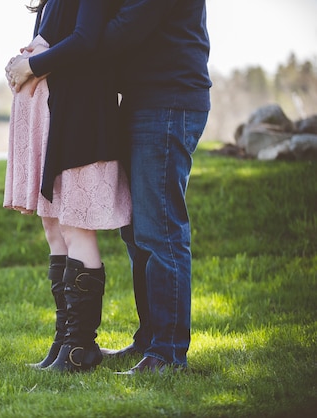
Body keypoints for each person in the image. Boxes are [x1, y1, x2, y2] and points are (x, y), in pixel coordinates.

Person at [4, 0, 131, 372]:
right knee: (55, 226)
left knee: (76, 224)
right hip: (54, 116)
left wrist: (31, 64)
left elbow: (86, 40)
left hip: (79, 117)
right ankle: (63, 342)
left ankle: (80, 349)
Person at [97, 0, 212, 374]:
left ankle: (168, 353)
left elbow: (122, 29)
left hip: (169, 101)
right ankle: (149, 340)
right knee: (135, 232)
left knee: (160, 230)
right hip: (143, 101)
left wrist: (70, 40)